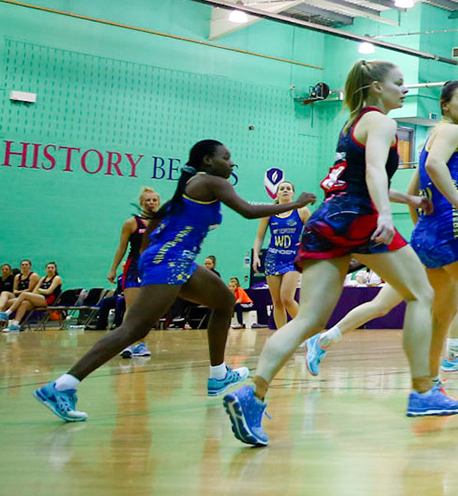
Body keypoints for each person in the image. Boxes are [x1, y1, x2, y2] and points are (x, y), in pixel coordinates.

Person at [221, 60, 458, 446]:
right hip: (359, 218)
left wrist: (408, 198)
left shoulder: (351, 124)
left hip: (326, 219)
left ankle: (253, 393)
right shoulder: (381, 122)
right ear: (376, 87)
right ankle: (423, 391)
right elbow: (372, 173)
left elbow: (351, 180)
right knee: (421, 294)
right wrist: (386, 213)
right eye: (398, 83)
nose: (404, 89)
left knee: (309, 320)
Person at [301, 90, 458, 414]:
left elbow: (414, 190)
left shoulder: (431, 136)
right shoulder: (452, 131)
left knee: (440, 315)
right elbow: (433, 165)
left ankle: (428, 388)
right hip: (452, 231)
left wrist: (424, 228)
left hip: (428, 235)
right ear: (445, 105)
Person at [36, 141, 312, 423]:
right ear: (208, 160)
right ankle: (62, 386)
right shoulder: (212, 183)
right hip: (170, 260)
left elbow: (157, 221)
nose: (232, 163)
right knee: (134, 329)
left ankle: (218, 374)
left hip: (177, 260)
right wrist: (297, 203)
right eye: (226, 157)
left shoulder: (192, 186)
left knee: (225, 301)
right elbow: (248, 211)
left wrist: (148, 255)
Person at [102, 188, 162, 351]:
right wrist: (113, 269)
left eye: (154, 200)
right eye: (147, 200)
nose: (151, 203)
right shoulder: (131, 223)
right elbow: (121, 248)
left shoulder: (163, 223)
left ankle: (140, 344)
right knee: (132, 307)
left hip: (154, 269)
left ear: (158, 203)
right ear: (141, 203)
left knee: (146, 309)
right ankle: (126, 343)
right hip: (134, 268)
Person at [251, 182, 310, 331]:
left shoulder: (302, 211)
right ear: (276, 194)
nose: (285, 190)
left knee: (287, 299)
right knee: (277, 302)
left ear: (293, 193)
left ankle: (307, 332)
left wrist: (306, 244)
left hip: (293, 260)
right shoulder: (269, 213)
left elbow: (314, 231)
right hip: (273, 259)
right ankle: (282, 336)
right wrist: (256, 256)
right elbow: (259, 237)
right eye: (281, 189)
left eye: (288, 188)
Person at [2, 260, 60, 330]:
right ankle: (15, 324)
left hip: (49, 300)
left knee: (24, 294)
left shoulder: (57, 278)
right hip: (39, 298)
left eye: (52, 268)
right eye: (48, 268)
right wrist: (36, 293)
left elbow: (48, 291)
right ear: (46, 269)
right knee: (23, 303)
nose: (50, 269)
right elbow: (35, 291)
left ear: (55, 269)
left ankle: (7, 313)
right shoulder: (43, 278)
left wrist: (39, 290)